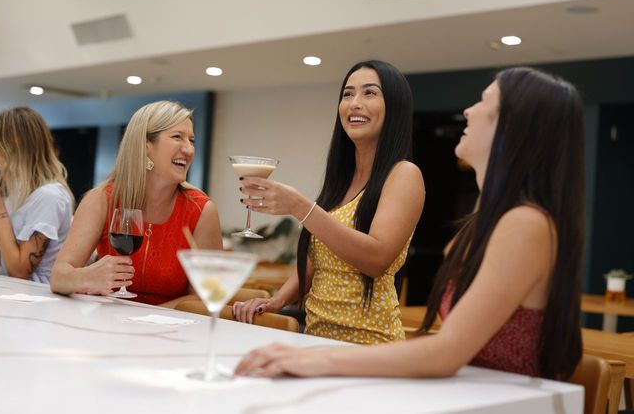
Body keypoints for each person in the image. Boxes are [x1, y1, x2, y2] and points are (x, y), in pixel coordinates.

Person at [235, 67, 585, 381]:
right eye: (348, 93)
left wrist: (319, 359)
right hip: (471, 395)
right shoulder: (489, 221)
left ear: (516, 127)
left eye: (484, 102)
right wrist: (287, 311)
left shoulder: (524, 223)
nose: (467, 110)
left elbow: (447, 352)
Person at [232, 60, 425, 344]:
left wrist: (300, 207)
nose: (354, 103)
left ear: (394, 107)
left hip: (369, 344)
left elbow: (376, 259)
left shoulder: (404, 174)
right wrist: (277, 301)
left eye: (369, 93)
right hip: (315, 338)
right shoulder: (342, 180)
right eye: (347, 94)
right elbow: (317, 256)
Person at [50, 100, 223, 307]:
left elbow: (207, 295)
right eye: (177, 137)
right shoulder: (102, 200)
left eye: (192, 140)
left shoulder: (201, 211)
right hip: (105, 327)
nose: (189, 149)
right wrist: (87, 277)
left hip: (173, 332)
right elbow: (59, 277)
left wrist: (145, 317)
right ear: (145, 146)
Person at [0, 107, 74, 284]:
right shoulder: (17, 196)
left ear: (14, 150)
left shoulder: (50, 197)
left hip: (36, 302)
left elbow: (20, 271)